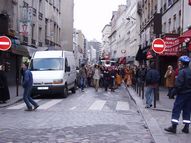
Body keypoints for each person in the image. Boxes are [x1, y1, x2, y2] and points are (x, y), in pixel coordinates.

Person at [164, 55, 191, 134]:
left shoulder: (181, 72)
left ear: (182, 63)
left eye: (180, 62)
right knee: (187, 110)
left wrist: (173, 92)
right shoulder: (190, 71)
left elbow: (178, 84)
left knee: (176, 109)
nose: (179, 63)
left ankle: (174, 127)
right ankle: (186, 127)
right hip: (189, 95)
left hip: (182, 94)